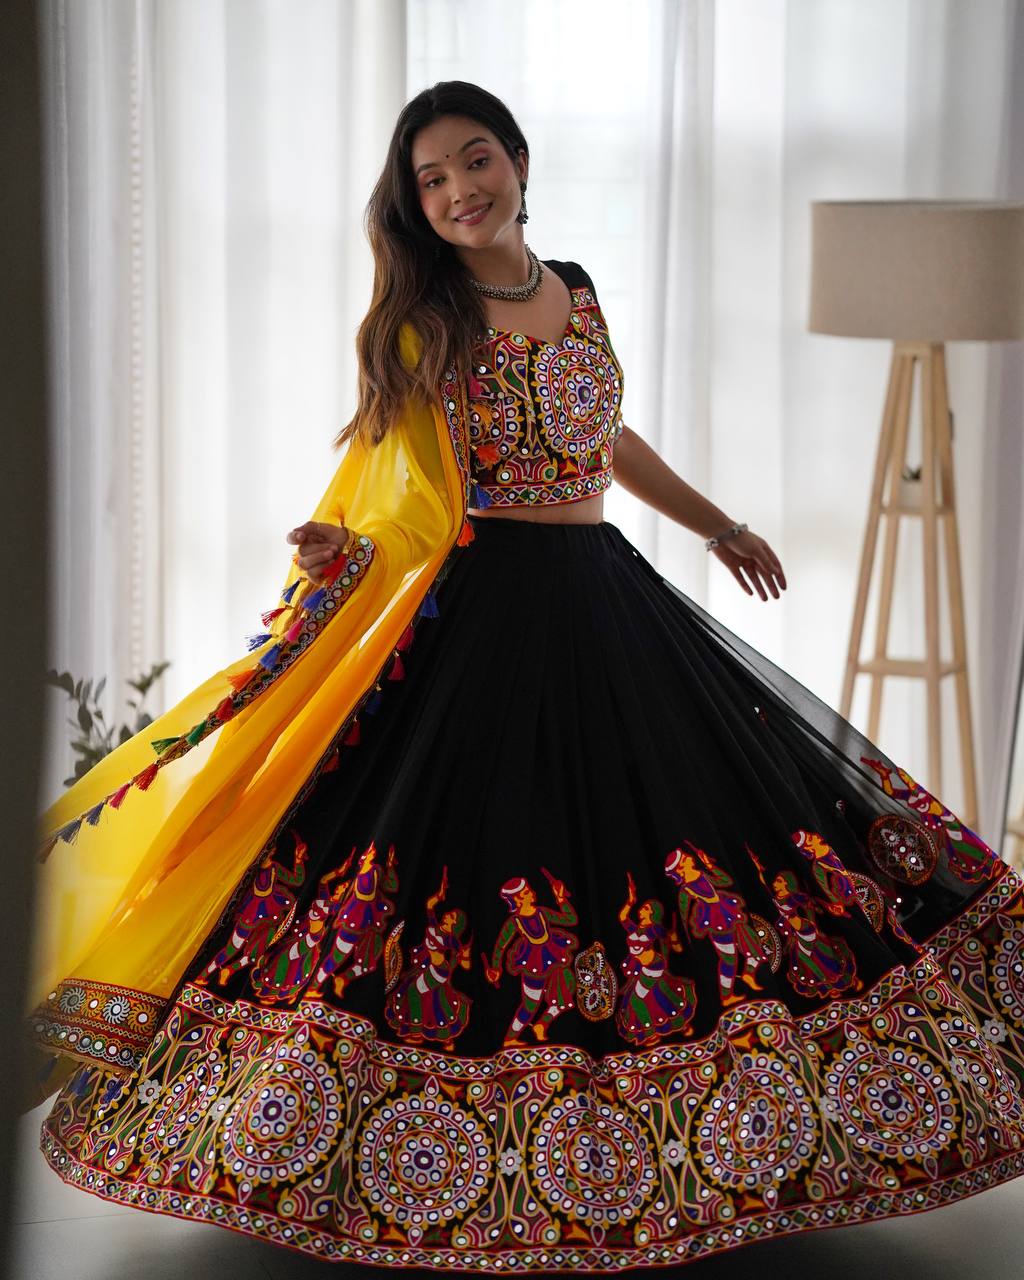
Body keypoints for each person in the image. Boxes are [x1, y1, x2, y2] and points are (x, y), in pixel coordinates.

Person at [26, 80, 1024, 1275]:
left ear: (518, 160)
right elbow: (395, 490)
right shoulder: (421, 320)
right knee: (464, 854)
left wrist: (716, 524)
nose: (457, 190)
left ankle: (715, 1141)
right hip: (482, 614)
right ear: (412, 204)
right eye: (431, 179)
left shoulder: (578, 289)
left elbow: (608, 439)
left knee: (687, 835)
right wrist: (336, 552)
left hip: (605, 594)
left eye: (474, 159)